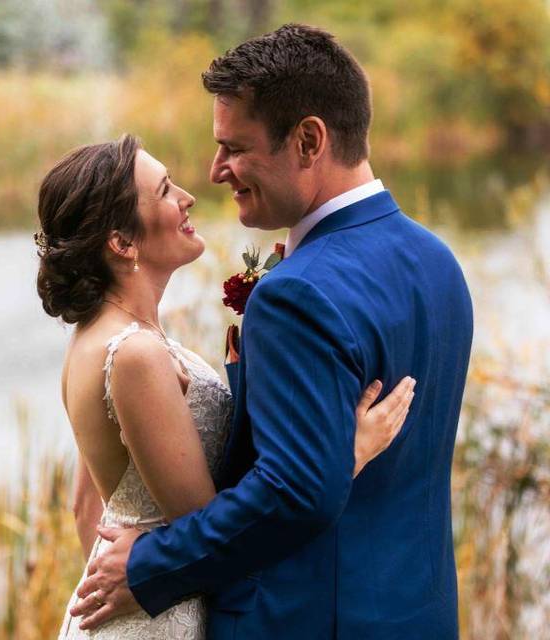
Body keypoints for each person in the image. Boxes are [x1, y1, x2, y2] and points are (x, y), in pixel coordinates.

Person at [68, 24, 473, 640]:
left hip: (308, 620)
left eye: (235, 147)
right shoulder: (437, 260)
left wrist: (149, 565)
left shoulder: (296, 292)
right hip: (420, 613)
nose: (216, 170)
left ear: (308, 140)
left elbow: (296, 490)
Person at [36, 132, 415, 639]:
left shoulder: (97, 338)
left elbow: (88, 507)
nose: (187, 197)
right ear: (123, 243)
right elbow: (210, 527)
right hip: (161, 611)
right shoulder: (135, 355)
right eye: (166, 190)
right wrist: (343, 456)